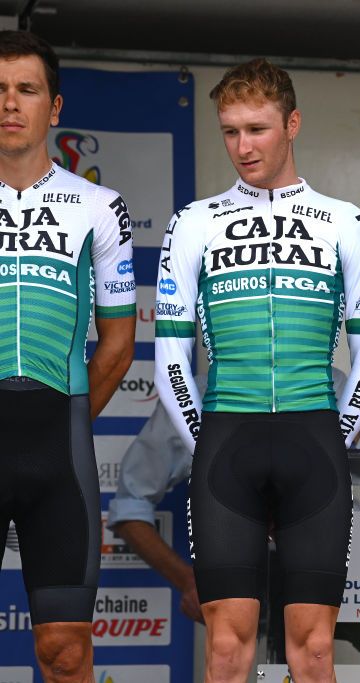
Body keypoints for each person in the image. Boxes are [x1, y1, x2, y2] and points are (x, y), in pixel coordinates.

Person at [154, 58, 360, 682]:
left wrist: (334, 436)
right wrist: (208, 439)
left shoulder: (344, 221)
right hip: (228, 437)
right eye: (229, 131)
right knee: (227, 650)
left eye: (256, 129)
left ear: (293, 124)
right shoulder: (192, 224)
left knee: (312, 652)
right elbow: (170, 355)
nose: (242, 146)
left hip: (315, 437)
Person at [0, 30, 135, 681]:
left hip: (59, 446)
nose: (10, 102)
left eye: (26, 89)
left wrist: (72, 418)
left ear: (53, 108)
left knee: (66, 651)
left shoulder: (98, 206)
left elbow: (117, 341)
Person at [107, 369, 360, 625]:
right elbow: (130, 506)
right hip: (248, 577)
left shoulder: (332, 382)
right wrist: (188, 581)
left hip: (343, 567)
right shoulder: (196, 393)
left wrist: (321, 401)